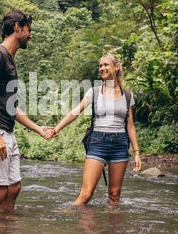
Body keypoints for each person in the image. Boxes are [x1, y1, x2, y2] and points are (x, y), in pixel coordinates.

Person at [0, 9, 55, 218]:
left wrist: (38, 129)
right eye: (29, 29)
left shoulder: (10, 59)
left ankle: (3, 233)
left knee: (13, 188)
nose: (31, 35)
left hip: (6, 131)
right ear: (17, 27)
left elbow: (11, 107)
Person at [53, 53, 142, 206]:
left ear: (117, 67)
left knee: (114, 196)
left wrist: (137, 153)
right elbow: (75, 112)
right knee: (86, 195)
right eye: (100, 66)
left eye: (106, 65)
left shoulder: (127, 95)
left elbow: (130, 125)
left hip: (120, 145)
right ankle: (64, 216)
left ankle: (113, 229)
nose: (102, 68)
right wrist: (57, 128)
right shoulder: (94, 92)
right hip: (98, 143)